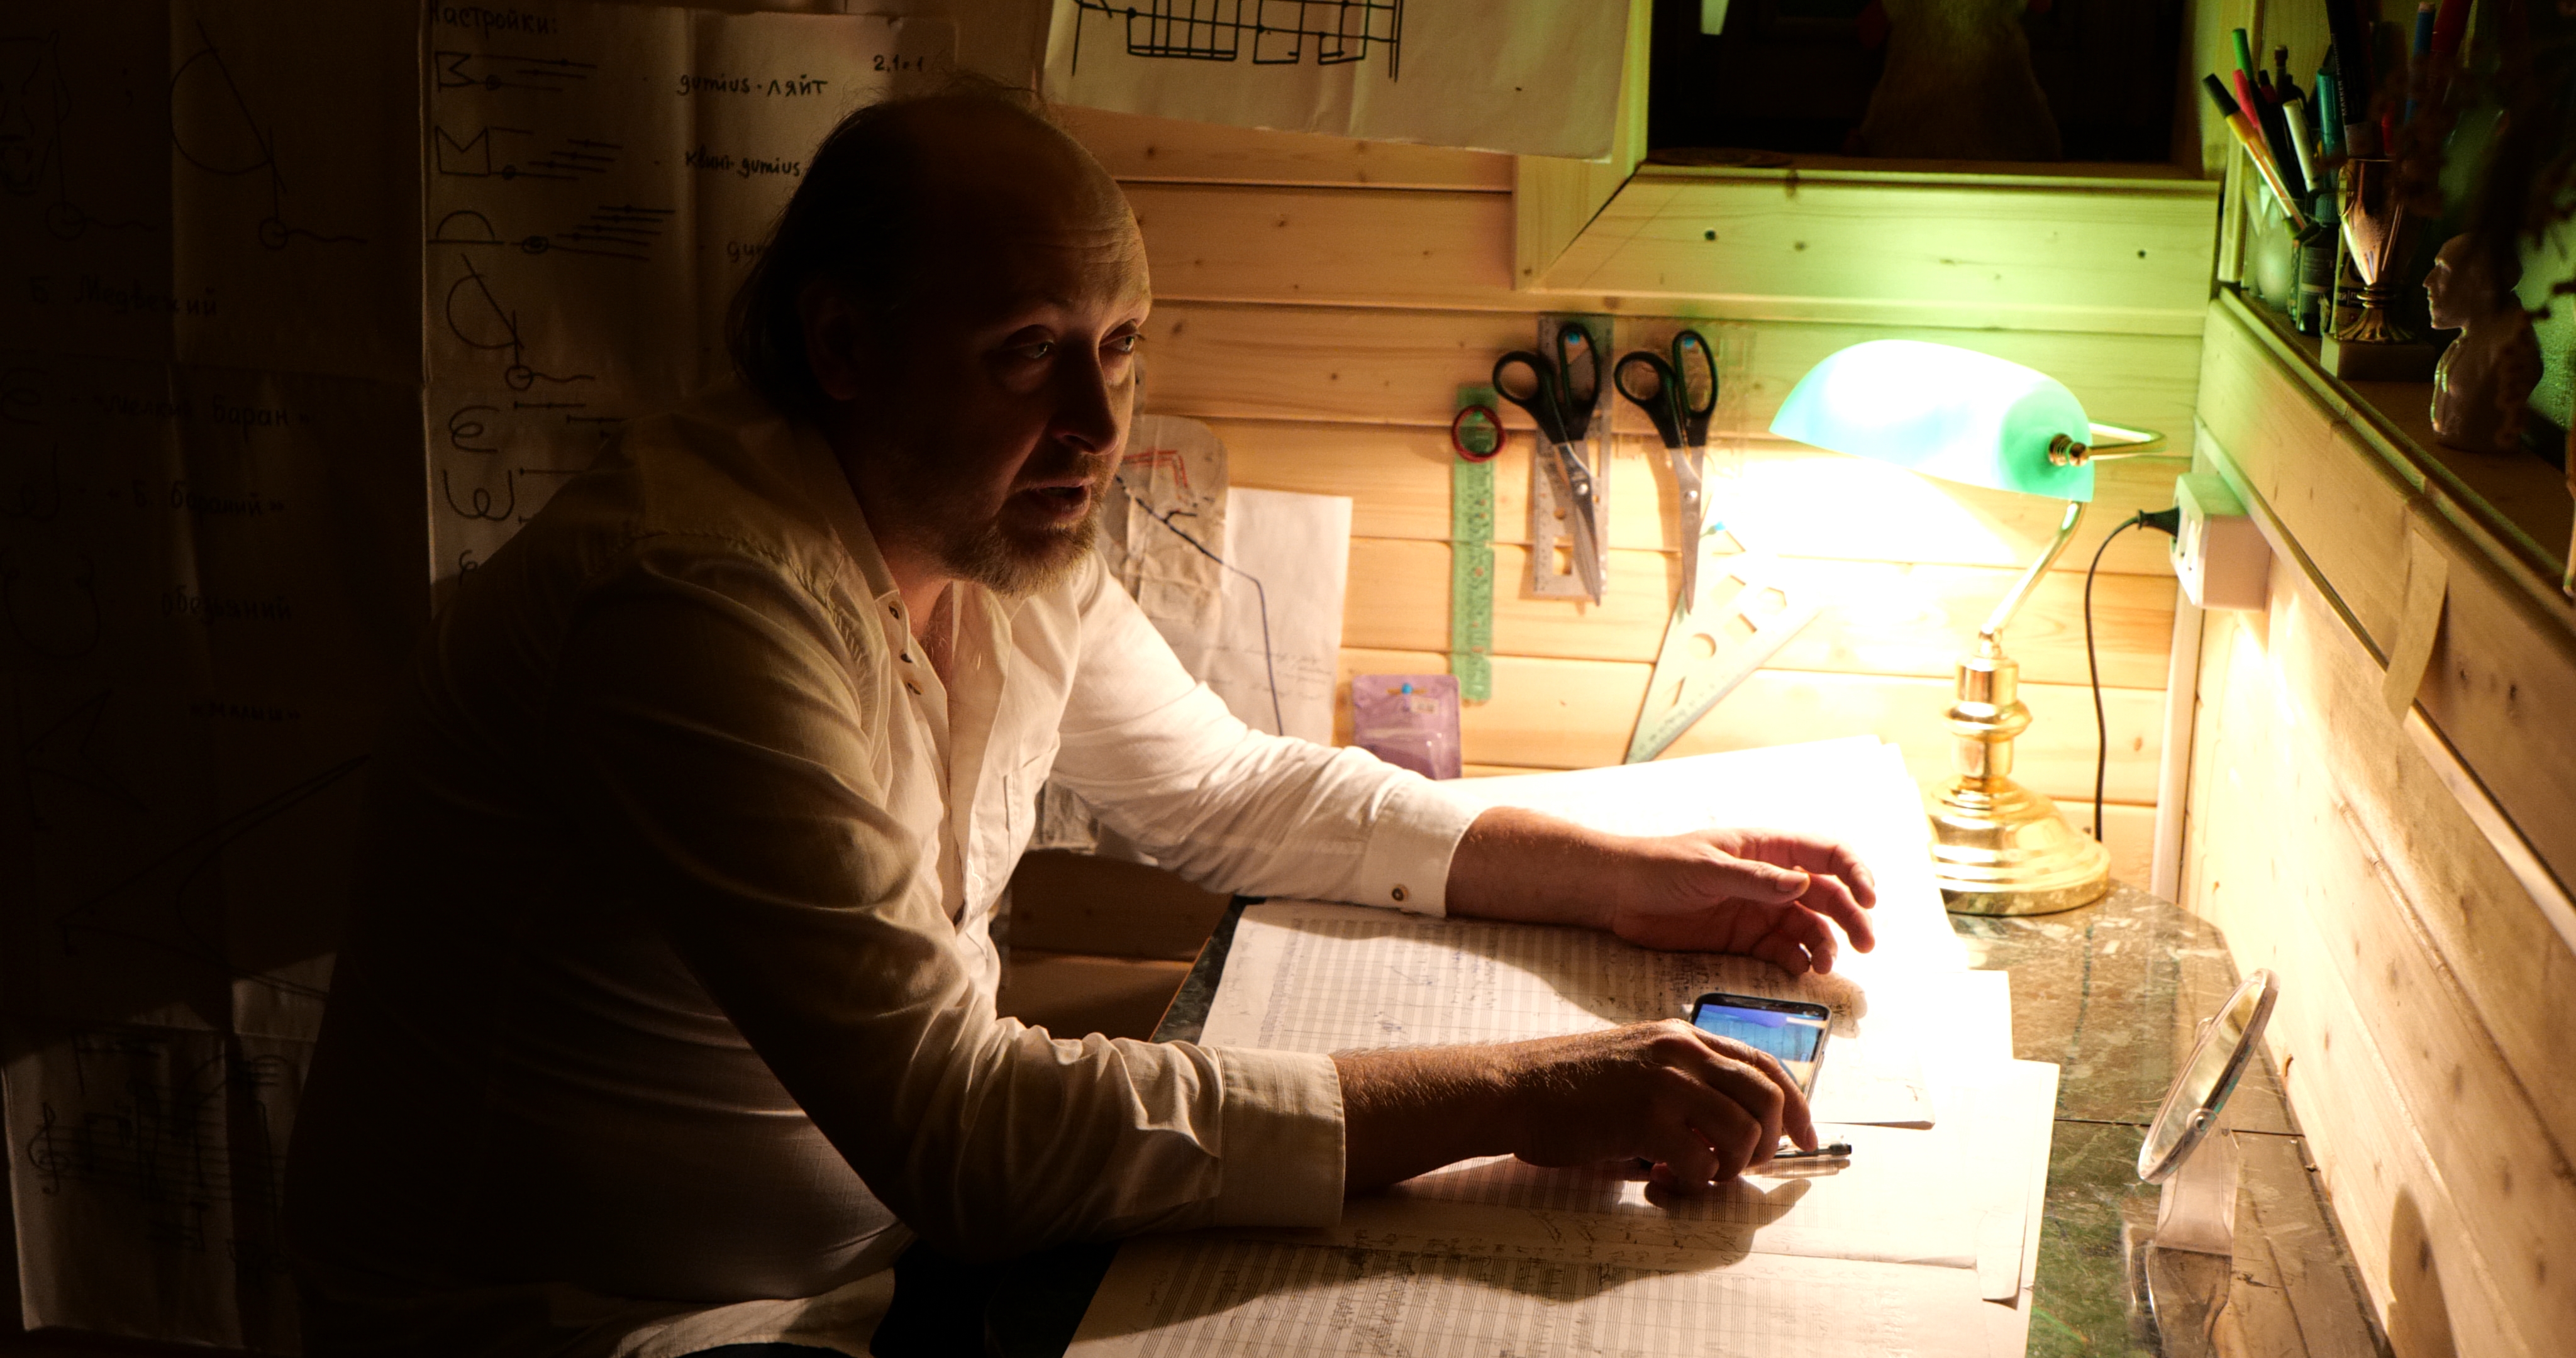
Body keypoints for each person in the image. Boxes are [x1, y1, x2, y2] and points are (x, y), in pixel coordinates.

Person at [284, 83, 1878, 1357]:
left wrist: (1611, 869)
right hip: (609, 1329)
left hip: (881, 1264)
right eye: (1028, 354)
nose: (1098, 425)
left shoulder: (987, 529)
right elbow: (967, 1136)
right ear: (841, 347)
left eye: (1118, 345)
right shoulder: (690, 607)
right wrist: (1525, 1089)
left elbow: (1226, 791)